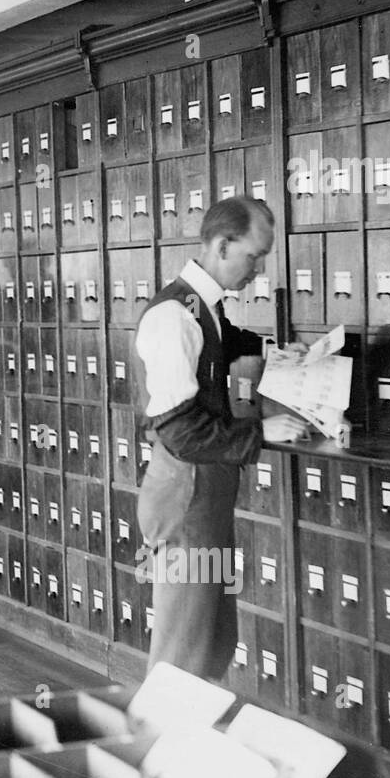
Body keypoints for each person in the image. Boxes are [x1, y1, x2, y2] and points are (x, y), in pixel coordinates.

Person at [134, 196, 307, 680]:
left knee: (212, 644)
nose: (258, 270)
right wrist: (260, 432)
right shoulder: (173, 317)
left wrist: (279, 352)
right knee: (180, 658)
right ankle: (158, 751)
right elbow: (179, 429)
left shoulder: (199, 305)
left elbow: (227, 341)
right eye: (254, 256)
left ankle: (193, 750)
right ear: (222, 245)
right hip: (186, 497)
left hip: (206, 496)